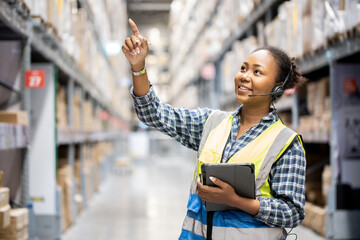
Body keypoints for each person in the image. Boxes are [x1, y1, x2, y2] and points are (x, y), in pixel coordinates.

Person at [122, 18, 306, 240]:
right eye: (243, 68)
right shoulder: (211, 123)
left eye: (257, 72)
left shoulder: (286, 143)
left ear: (277, 87)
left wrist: (236, 200)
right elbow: (153, 114)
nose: (244, 76)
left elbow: (292, 213)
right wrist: (138, 67)